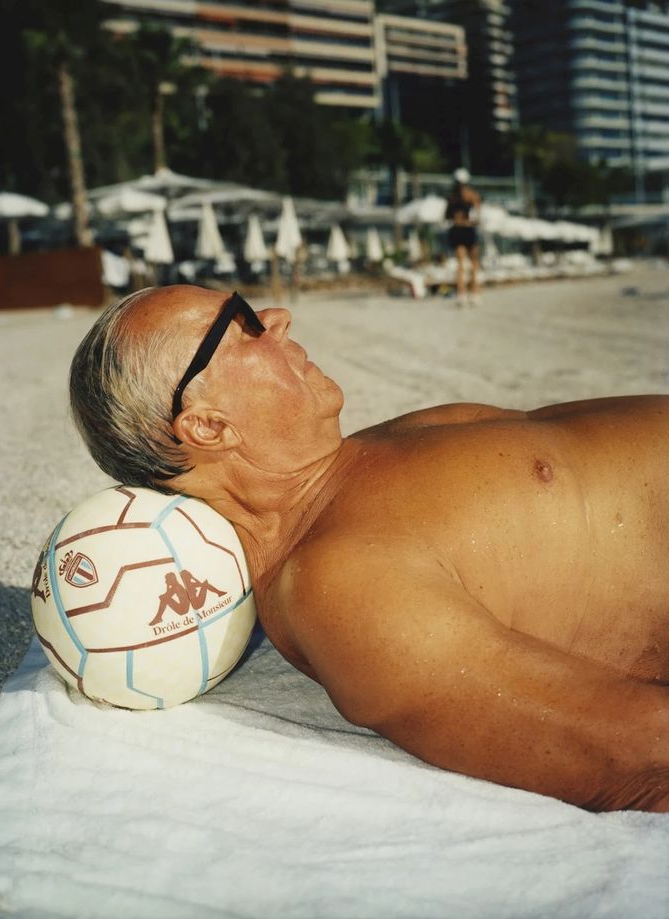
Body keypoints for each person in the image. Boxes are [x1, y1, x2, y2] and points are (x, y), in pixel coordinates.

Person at [70, 284, 669, 813]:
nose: (278, 316)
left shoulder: (371, 452)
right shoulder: (340, 587)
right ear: (208, 427)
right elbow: (631, 753)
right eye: (244, 322)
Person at [445, 167, 481, 307]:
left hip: (459, 230)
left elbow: (446, 216)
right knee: (472, 264)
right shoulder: (473, 196)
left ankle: (464, 294)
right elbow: (477, 216)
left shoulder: (451, 198)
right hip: (467, 230)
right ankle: (472, 294)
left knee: (463, 265)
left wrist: (458, 219)